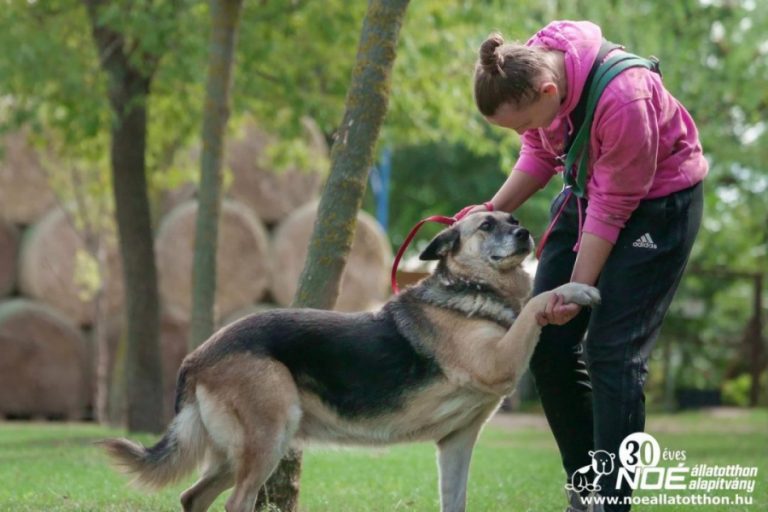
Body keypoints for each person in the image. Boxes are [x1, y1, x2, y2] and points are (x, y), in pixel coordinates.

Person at [458, 20, 707, 512]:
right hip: (587, 192)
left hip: (657, 206)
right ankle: (587, 487)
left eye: (525, 121)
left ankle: (610, 502)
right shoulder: (532, 66)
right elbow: (540, 152)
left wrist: (577, 289)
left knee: (612, 353)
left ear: (548, 91)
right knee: (544, 340)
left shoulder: (625, 98)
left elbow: (615, 205)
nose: (525, 133)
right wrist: (490, 208)